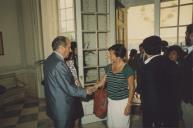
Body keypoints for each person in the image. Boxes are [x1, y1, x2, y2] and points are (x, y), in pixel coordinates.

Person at [43, 36, 94, 128]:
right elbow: (69, 88)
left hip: (55, 103)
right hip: (62, 107)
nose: (70, 50)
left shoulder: (49, 59)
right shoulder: (59, 64)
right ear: (61, 48)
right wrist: (85, 91)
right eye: (69, 47)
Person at [139, 36, 179, 128]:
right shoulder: (172, 64)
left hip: (154, 113)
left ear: (144, 50)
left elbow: (150, 94)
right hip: (171, 109)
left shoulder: (146, 67)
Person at [93, 44, 135, 128]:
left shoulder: (127, 69)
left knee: (121, 125)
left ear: (118, 56)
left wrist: (129, 105)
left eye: (111, 54)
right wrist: (92, 88)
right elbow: (102, 82)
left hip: (122, 103)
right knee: (111, 125)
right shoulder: (108, 67)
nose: (109, 56)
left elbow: (132, 88)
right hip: (110, 102)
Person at [65, 41, 84, 128]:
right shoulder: (70, 60)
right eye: (77, 49)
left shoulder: (69, 58)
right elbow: (75, 77)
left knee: (75, 114)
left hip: (70, 91)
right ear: (74, 49)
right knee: (77, 114)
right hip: (73, 91)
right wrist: (81, 89)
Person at [181, 23, 193, 128]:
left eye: (186, 34)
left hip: (190, 100)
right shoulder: (188, 54)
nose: (185, 36)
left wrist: (188, 99)